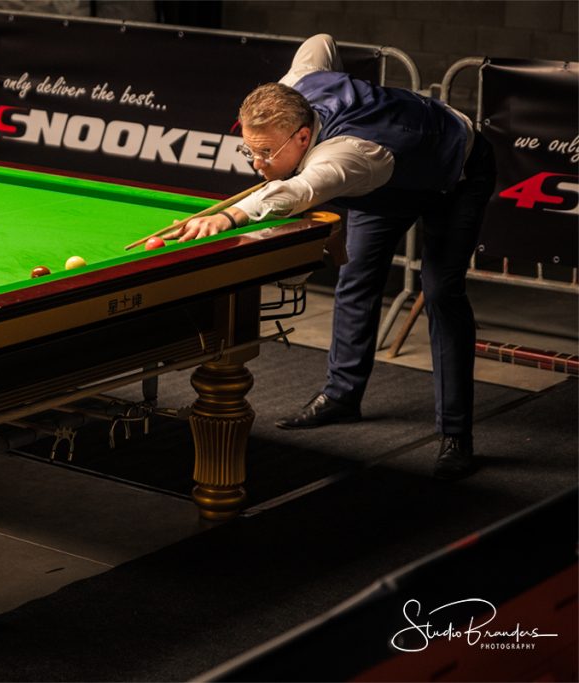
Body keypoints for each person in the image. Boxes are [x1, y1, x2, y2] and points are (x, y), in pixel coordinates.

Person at [172, 34, 496, 480]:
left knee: (441, 292)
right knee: (357, 277)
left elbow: (297, 191)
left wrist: (230, 216)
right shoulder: (299, 85)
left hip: (456, 174)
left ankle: (456, 434)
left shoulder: (344, 157)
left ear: (303, 136)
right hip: (384, 184)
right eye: (249, 149)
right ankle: (342, 396)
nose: (255, 164)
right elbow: (320, 42)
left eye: (265, 153)